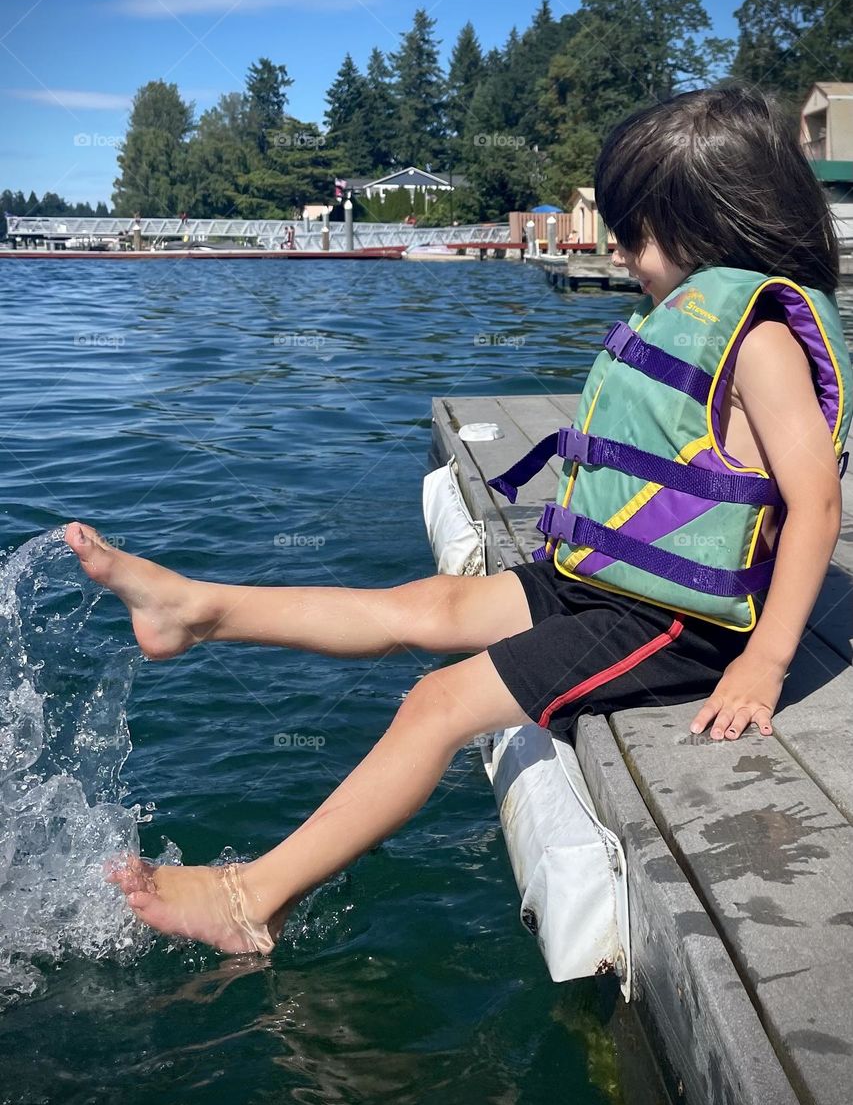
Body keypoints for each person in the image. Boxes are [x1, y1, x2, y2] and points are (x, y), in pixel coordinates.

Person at [64, 84, 851, 955]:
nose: (623, 254)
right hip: (610, 586)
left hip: (681, 624)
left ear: (715, 221)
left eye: (638, 234)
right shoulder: (687, 319)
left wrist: (764, 663)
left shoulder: (762, 337)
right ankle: (196, 609)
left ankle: (253, 898)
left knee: (438, 702)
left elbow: (815, 501)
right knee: (428, 605)